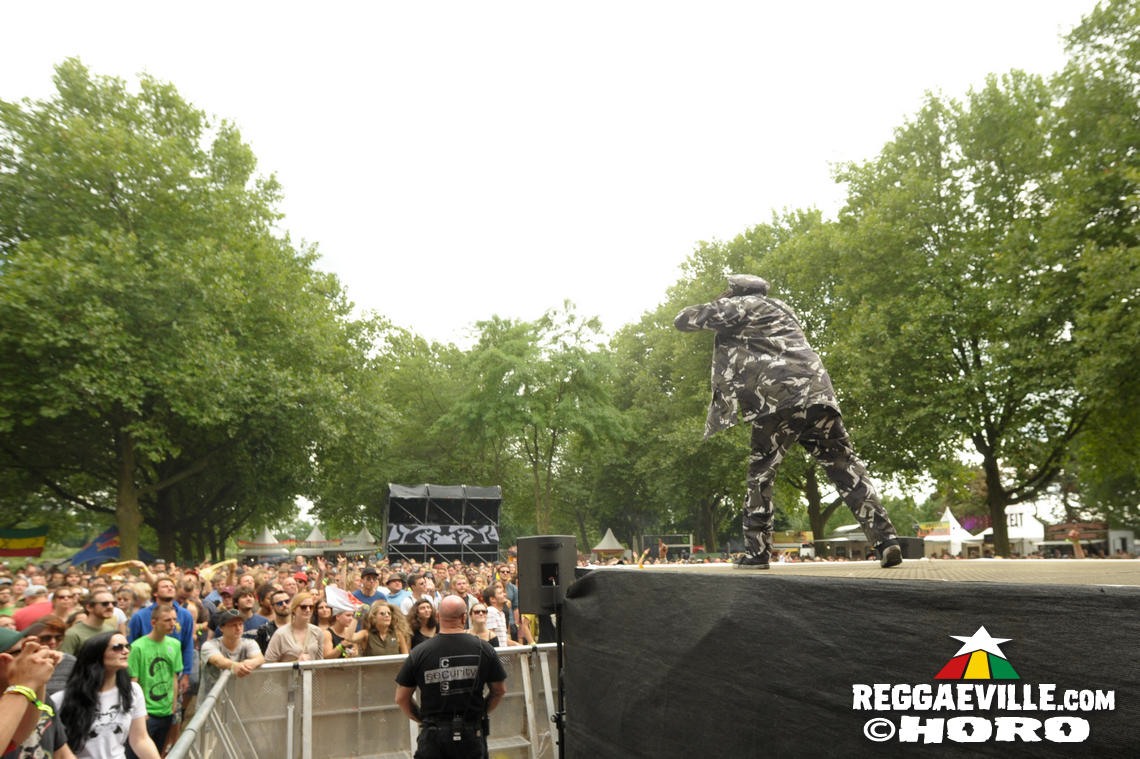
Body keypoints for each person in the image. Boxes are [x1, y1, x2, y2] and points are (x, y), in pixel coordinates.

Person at [675, 274, 903, 569]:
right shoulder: (782, 308)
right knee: (846, 467)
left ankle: (757, 554)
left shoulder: (744, 305)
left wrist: (723, 301)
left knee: (761, 474)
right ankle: (886, 541)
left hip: (778, 397)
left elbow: (684, 319)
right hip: (818, 394)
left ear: (738, 291)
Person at [394, 596, 507, 759]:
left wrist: (422, 719)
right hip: (471, 733)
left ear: (438, 616)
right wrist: (481, 712)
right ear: (464, 617)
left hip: (433, 734)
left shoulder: (419, 653)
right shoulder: (485, 649)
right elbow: (499, 691)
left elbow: (401, 698)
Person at [52, 632, 161, 759]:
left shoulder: (133, 691)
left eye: (127, 646)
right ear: (96, 654)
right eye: (117, 647)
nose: (125, 651)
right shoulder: (61, 699)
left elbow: (140, 739)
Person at [1, 629, 69, 759]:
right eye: (20, 652)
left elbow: (18, 735)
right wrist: (25, 684)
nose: (31, 658)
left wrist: (38, 680)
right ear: (3, 659)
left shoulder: (36, 696)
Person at [126, 606, 180, 756]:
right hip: (146, 713)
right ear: (154, 622)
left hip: (166, 710)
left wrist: (173, 705)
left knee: (159, 750)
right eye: (167, 620)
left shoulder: (175, 645)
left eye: (174, 619)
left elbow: (174, 676)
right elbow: (133, 682)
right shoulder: (137, 647)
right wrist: (139, 711)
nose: (172, 623)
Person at [199, 611, 263, 698]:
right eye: (233, 625)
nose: (238, 628)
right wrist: (234, 666)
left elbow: (259, 658)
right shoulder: (209, 645)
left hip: (238, 700)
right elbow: (218, 661)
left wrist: (246, 665)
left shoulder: (250, 643)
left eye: (240, 624)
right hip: (211, 701)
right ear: (222, 628)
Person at [263, 594, 324, 663]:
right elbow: (269, 662)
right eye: (303, 607)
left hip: (312, 673)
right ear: (294, 609)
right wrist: (295, 663)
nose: (308, 610)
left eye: (311, 607)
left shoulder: (318, 632)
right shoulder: (280, 634)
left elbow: (320, 661)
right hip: (288, 673)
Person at [60, 591, 117, 656]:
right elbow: (65, 662)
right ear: (89, 608)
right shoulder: (72, 634)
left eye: (114, 603)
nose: (111, 606)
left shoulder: (110, 630)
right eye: (105, 603)